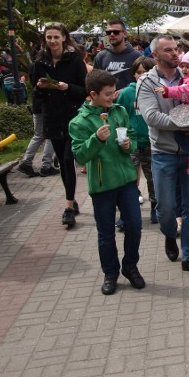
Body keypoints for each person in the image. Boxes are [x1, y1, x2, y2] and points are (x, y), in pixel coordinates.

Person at [136, 34, 189, 276]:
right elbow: (152, 117)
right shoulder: (147, 82)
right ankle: (169, 234)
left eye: (176, 49)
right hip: (163, 153)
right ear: (155, 55)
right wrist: (188, 124)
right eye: (168, 50)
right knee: (165, 209)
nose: (175, 53)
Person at [68, 69, 144, 295]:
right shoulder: (79, 122)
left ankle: (130, 267)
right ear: (93, 94)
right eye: (108, 94)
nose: (113, 97)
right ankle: (110, 273)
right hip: (102, 185)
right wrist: (96, 139)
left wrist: (129, 145)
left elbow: (131, 136)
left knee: (134, 226)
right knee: (106, 234)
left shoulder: (119, 111)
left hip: (127, 180)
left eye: (114, 93)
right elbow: (80, 155)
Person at [32, 23, 88, 227]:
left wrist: (67, 87)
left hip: (73, 117)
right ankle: (71, 200)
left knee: (66, 160)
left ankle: (67, 207)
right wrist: (40, 88)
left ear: (64, 37)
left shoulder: (74, 60)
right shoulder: (40, 62)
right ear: (45, 40)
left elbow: (85, 90)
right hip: (52, 118)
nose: (53, 41)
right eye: (49, 38)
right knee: (64, 166)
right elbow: (36, 95)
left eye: (56, 37)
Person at [116, 56, 157, 224]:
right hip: (131, 144)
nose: (141, 75)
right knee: (129, 178)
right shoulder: (126, 93)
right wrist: (121, 138)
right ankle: (127, 212)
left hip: (151, 142)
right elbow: (118, 116)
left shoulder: (157, 91)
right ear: (133, 74)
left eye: (145, 72)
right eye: (138, 72)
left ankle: (156, 207)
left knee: (153, 178)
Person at [17, 60, 58, 178]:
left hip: (36, 105)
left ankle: (27, 161)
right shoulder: (45, 67)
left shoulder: (33, 67)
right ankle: (46, 166)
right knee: (50, 136)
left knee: (38, 135)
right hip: (46, 106)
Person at [91, 19, 142, 90]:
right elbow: (95, 82)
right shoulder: (101, 56)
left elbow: (143, 82)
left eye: (116, 32)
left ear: (125, 34)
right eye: (108, 32)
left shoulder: (137, 56)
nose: (112, 35)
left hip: (130, 100)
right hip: (107, 100)